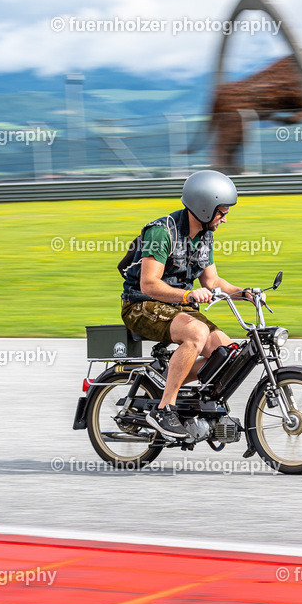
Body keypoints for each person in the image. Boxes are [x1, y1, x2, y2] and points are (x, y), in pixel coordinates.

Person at [117, 170, 257, 438]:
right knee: (196, 332)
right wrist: (187, 296)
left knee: (226, 353)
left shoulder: (204, 236)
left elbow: (212, 281)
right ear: (204, 207)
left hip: (175, 307)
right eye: (221, 212)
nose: (225, 219)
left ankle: (180, 394)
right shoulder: (162, 232)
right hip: (140, 305)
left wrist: (244, 293)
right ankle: (164, 408)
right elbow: (149, 284)